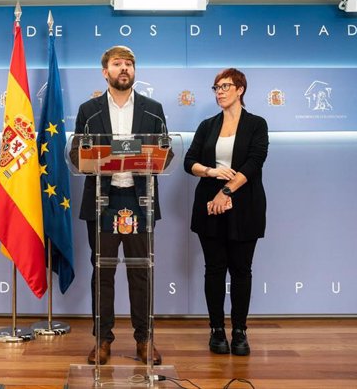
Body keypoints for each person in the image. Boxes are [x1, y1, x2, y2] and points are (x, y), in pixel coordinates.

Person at [73, 45, 167, 366]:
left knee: (142, 272)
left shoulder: (153, 110)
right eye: (117, 64)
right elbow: (76, 151)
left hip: (140, 202)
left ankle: (145, 340)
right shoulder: (89, 109)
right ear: (105, 72)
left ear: (134, 71)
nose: (124, 68)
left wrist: (143, 155)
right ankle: (103, 341)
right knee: (103, 273)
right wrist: (102, 157)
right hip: (102, 200)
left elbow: (164, 151)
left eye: (129, 64)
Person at [183, 68, 268, 356]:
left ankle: (240, 331)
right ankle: (217, 330)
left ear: (240, 89)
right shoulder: (208, 125)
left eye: (225, 86)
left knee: (242, 270)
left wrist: (226, 191)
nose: (220, 91)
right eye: (216, 87)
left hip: (245, 205)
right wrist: (209, 171)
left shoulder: (257, 124)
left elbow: (255, 162)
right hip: (209, 206)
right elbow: (189, 161)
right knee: (214, 270)